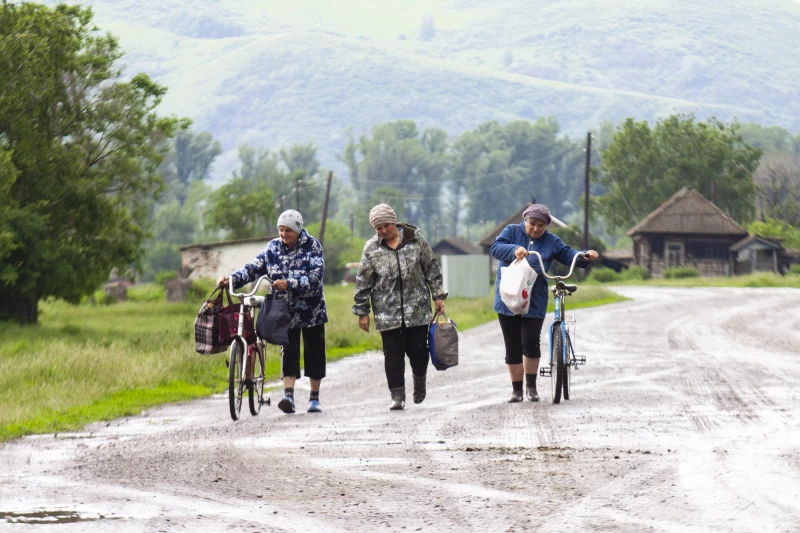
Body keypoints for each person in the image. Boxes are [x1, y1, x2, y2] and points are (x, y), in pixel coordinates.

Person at [218, 209, 328, 414]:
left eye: (288, 231)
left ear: (298, 230)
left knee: (314, 352)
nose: (284, 235)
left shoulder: (312, 246)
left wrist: (290, 283)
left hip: (312, 310)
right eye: (281, 230)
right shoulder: (273, 248)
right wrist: (232, 279)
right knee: (289, 351)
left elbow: (315, 278)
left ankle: (314, 398)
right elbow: (253, 268)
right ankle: (289, 396)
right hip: (283, 310)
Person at [490, 204, 598, 403]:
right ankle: (516, 390)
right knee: (512, 344)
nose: (536, 228)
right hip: (508, 297)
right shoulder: (511, 232)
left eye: (541, 225)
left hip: (535, 299)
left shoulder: (551, 241)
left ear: (546, 226)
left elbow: (568, 254)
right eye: (532, 223)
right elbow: (495, 248)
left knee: (530, 342)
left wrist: (585, 255)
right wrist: (514, 249)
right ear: (525, 221)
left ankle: (531, 387)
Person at [352, 204, 447, 411]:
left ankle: (419, 381)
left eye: (385, 226)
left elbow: (431, 267)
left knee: (419, 352)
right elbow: (363, 281)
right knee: (393, 355)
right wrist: (362, 311)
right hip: (387, 313)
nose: (382, 231)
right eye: (378, 228)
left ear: (394, 223)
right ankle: (397, 395)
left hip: (418, 310)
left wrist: (438, 296)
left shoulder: (416, 241)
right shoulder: (371, 248)